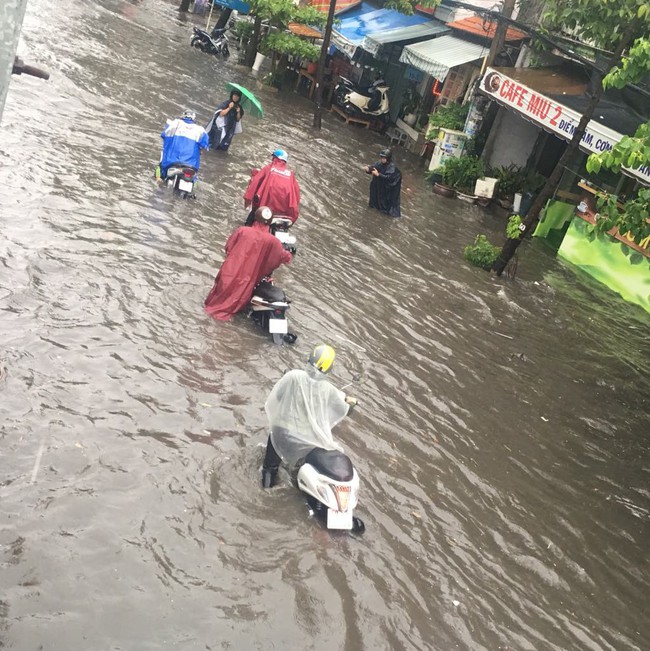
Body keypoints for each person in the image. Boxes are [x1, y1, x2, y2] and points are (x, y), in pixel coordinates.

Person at [261, 344, 357, 488]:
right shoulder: (329, 390)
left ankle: (266, 492)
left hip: (280, 431)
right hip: (304, 438)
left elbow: (278, 396)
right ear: (330, 367)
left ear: (310, 358)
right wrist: (351, 403)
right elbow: (344, 409)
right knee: (298, 468)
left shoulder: (292, 375)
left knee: (270, 468)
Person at [204, 206, 292, 321]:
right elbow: (279, 257)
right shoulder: (273, 241)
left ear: (255, 217)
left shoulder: (242, 231)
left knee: (214, 302)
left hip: (229, 272)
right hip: (247, 279)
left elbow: (228, 247)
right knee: (233, 306)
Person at [243, 149, 301, 225]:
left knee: (249, 223)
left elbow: (254, 183)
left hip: (264, 209)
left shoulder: (268, 168)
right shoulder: (290, 174)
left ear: (275, 158)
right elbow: (297, 196)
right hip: (282, 214)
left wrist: (248, 200)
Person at [156, 109, 209, 180]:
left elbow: (164, 134)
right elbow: (205, 145)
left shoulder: (174, 123)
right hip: (192, 165)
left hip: (172, 161)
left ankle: (158, 180)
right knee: (195, 178)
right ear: (193, 118)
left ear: (183, 115)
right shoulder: (201, 130)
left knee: (159, 169)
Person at [364, 148, 402, 218]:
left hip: (386, 191)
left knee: (385, 208)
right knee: (374, 204)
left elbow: (390, 178)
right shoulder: (379, 163)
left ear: (388, 158)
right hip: (378, 188)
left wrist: (378, 175)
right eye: (381, 157)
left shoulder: (393, 168)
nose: (382, 159)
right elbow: (373, 168)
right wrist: (368, 169)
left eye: (384, 158)